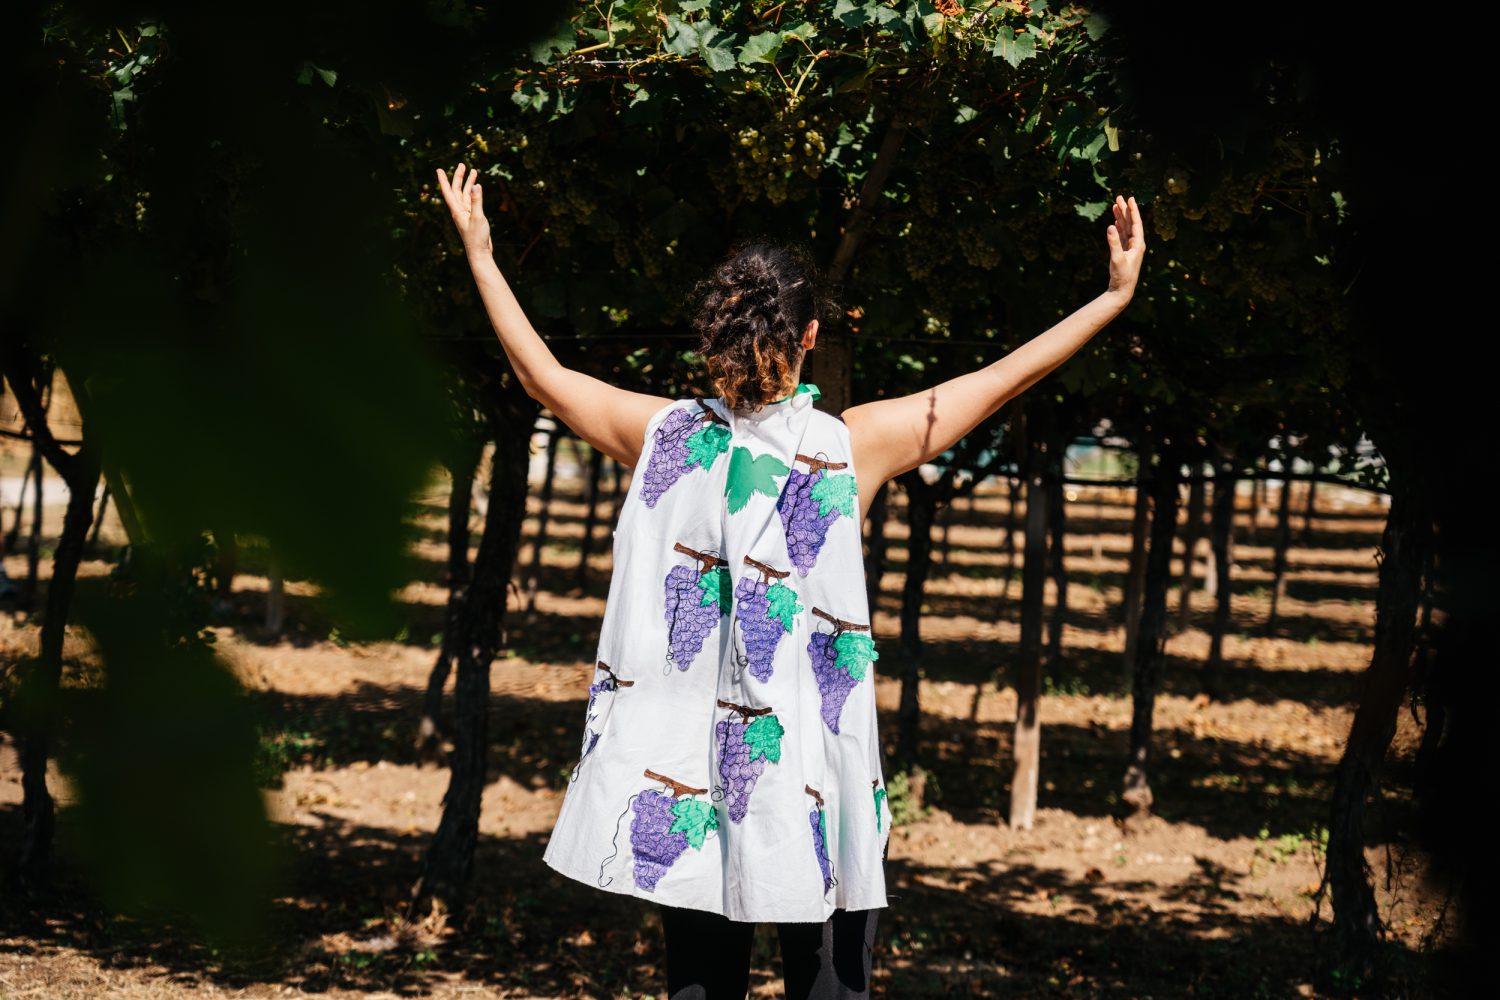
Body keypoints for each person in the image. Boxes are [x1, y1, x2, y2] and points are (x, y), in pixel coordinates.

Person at [436, 162, 1144, 999]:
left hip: (701, 773)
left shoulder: (665, 435)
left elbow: (542, 378)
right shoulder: (855, 445)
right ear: (810, 335)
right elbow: (997, 381)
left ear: (713, 334)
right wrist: (1110, 299)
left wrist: (482, 257)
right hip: (822, 783)